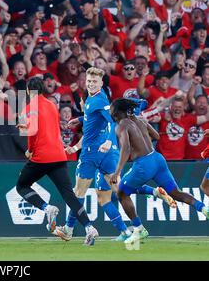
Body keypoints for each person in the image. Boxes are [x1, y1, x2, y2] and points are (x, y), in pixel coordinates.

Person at [58, 68, 162, 242]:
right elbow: (96, 119)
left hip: (92, 153)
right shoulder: (95, 99)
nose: (91, 83)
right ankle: (138, 226)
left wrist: (108, 139)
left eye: (94, 81)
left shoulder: (98, 100)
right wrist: (81, 119)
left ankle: (69, 228)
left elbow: (112, 120)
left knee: (79, 193)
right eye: (89, 81)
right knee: (118, 190)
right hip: (103, 154)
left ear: (101, 83)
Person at [110, 98, 209, 245]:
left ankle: (139, 229)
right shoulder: (140, 119)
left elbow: (126, 148)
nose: (110, 112)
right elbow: (156, 136)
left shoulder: (121, 125)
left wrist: (117, 171)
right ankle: (203, 208)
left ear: (117, 112)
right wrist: (141, 138)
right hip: (157, 159)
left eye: (111, 110)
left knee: (121, 193)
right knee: (175, 193)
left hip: (143, 164)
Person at [16, 77, 99, 246]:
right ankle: (89, 228)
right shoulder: (52, 105)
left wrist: (30, 151)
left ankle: (47, 208)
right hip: (59, 154)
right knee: (69, 195)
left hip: (41, 156)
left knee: (22, 186)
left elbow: (32, 132)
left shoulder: (27, 109)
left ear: (27, 90)